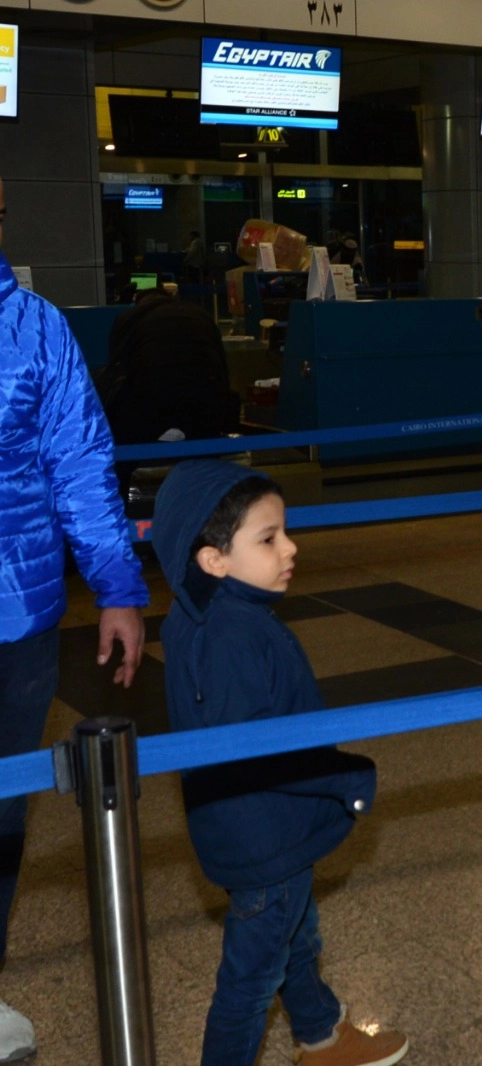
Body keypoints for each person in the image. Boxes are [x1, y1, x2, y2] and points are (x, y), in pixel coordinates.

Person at [151, 461, 408, 1066]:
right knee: (250, 981)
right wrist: (348, 779)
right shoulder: (234, 636)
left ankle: (321, 1036)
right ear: (213, 559)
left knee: (295, 935)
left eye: (284, 532)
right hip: (264, 834)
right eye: (268, 539)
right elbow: (259, 751)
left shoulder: (200, 613)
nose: (290, 548)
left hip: (248, 830)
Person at [0, 174, 149, 1063]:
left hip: (16, 622)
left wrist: (118, 588)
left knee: (3, 813)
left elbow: (81, 468)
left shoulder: (36, 328)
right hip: (19, 613)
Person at [98, 288, 238, 498]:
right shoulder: (200, 315)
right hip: (204, 398)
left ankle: (117, 506)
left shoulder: (129, 318)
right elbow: (221, 366)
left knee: (121, 458)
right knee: (206, 457)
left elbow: (118, 368)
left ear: (139, 302)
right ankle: (208, 505)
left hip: (151, 396)